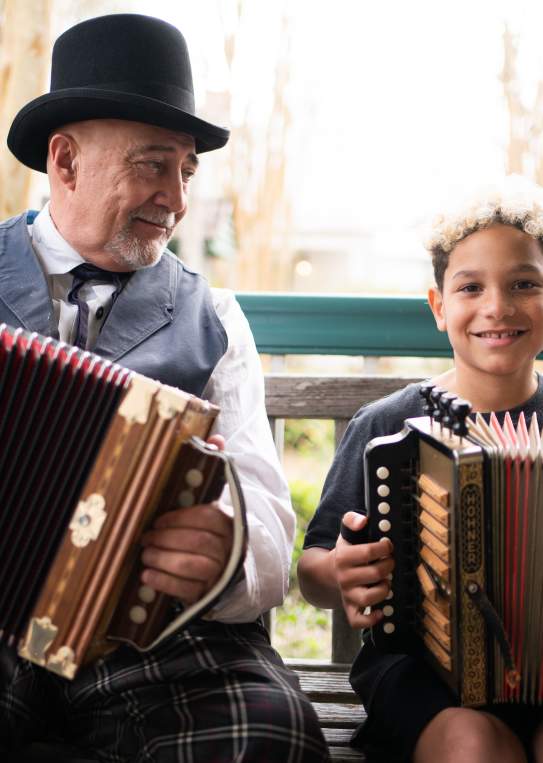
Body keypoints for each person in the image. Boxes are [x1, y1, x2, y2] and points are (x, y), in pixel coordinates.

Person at [0, 13, 329, 763]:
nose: (175, 198)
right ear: (66, 160)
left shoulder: (213, 316)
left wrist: (225, 553)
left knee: (266, 734)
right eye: (153, 164)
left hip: (150, 641)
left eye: (186, 170)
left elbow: (271, 534)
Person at [298, 176, 543, 763]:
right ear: (438, 308)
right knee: (475, 746)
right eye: (470, 287)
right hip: (419, 671)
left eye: (524, 284)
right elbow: (311, 570)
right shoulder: (389, 424)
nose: (497, 307)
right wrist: (342, 573)